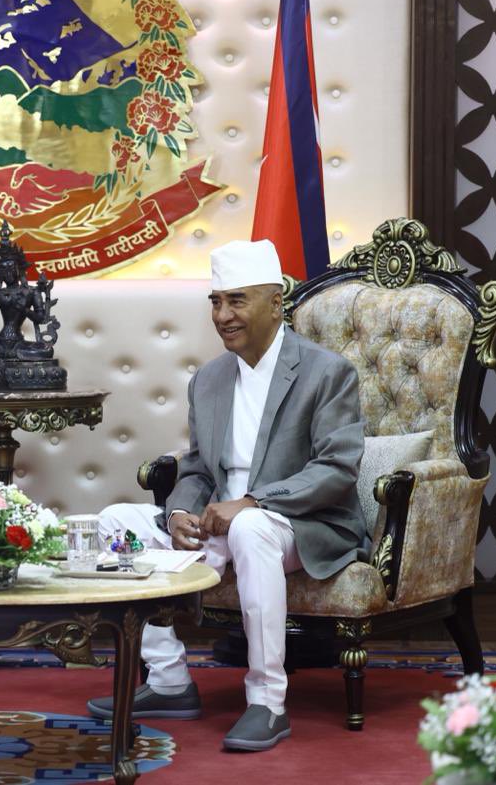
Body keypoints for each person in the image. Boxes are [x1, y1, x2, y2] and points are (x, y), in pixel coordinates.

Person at [86, 239, 368, 752]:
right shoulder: (210, 379)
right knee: (114, 521)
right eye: (215, 302)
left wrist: (254, 502)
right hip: (219, 523)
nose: (222, 315)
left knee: (252, 528)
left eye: (237, 300)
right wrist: (177, 512)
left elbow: (336, 468)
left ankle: (267, 703)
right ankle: (170, 681)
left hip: (298, 523)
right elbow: (196, 468)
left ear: (276, 302)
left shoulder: (326, 372)